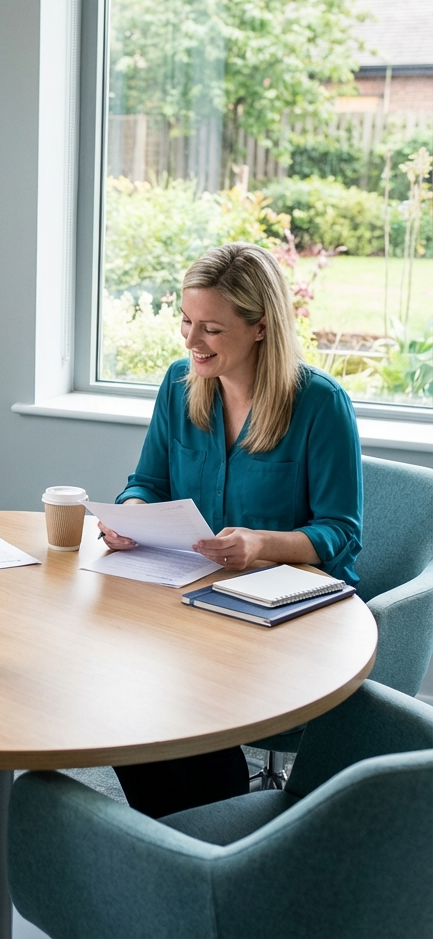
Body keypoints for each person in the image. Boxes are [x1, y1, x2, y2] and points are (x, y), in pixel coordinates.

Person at [99, 242, 362, 819]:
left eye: (211, 329)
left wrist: (261, 544)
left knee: (186, 697)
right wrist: (130, 517)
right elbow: (146, 481)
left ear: (261, 327)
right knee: (117, 686)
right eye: (187, 322)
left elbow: (341, 533)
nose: (191, 342)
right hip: (194, 596)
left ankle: (218, 838)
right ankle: (183, 836)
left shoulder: (320, 404)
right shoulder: (178, 385)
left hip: (289, 615)